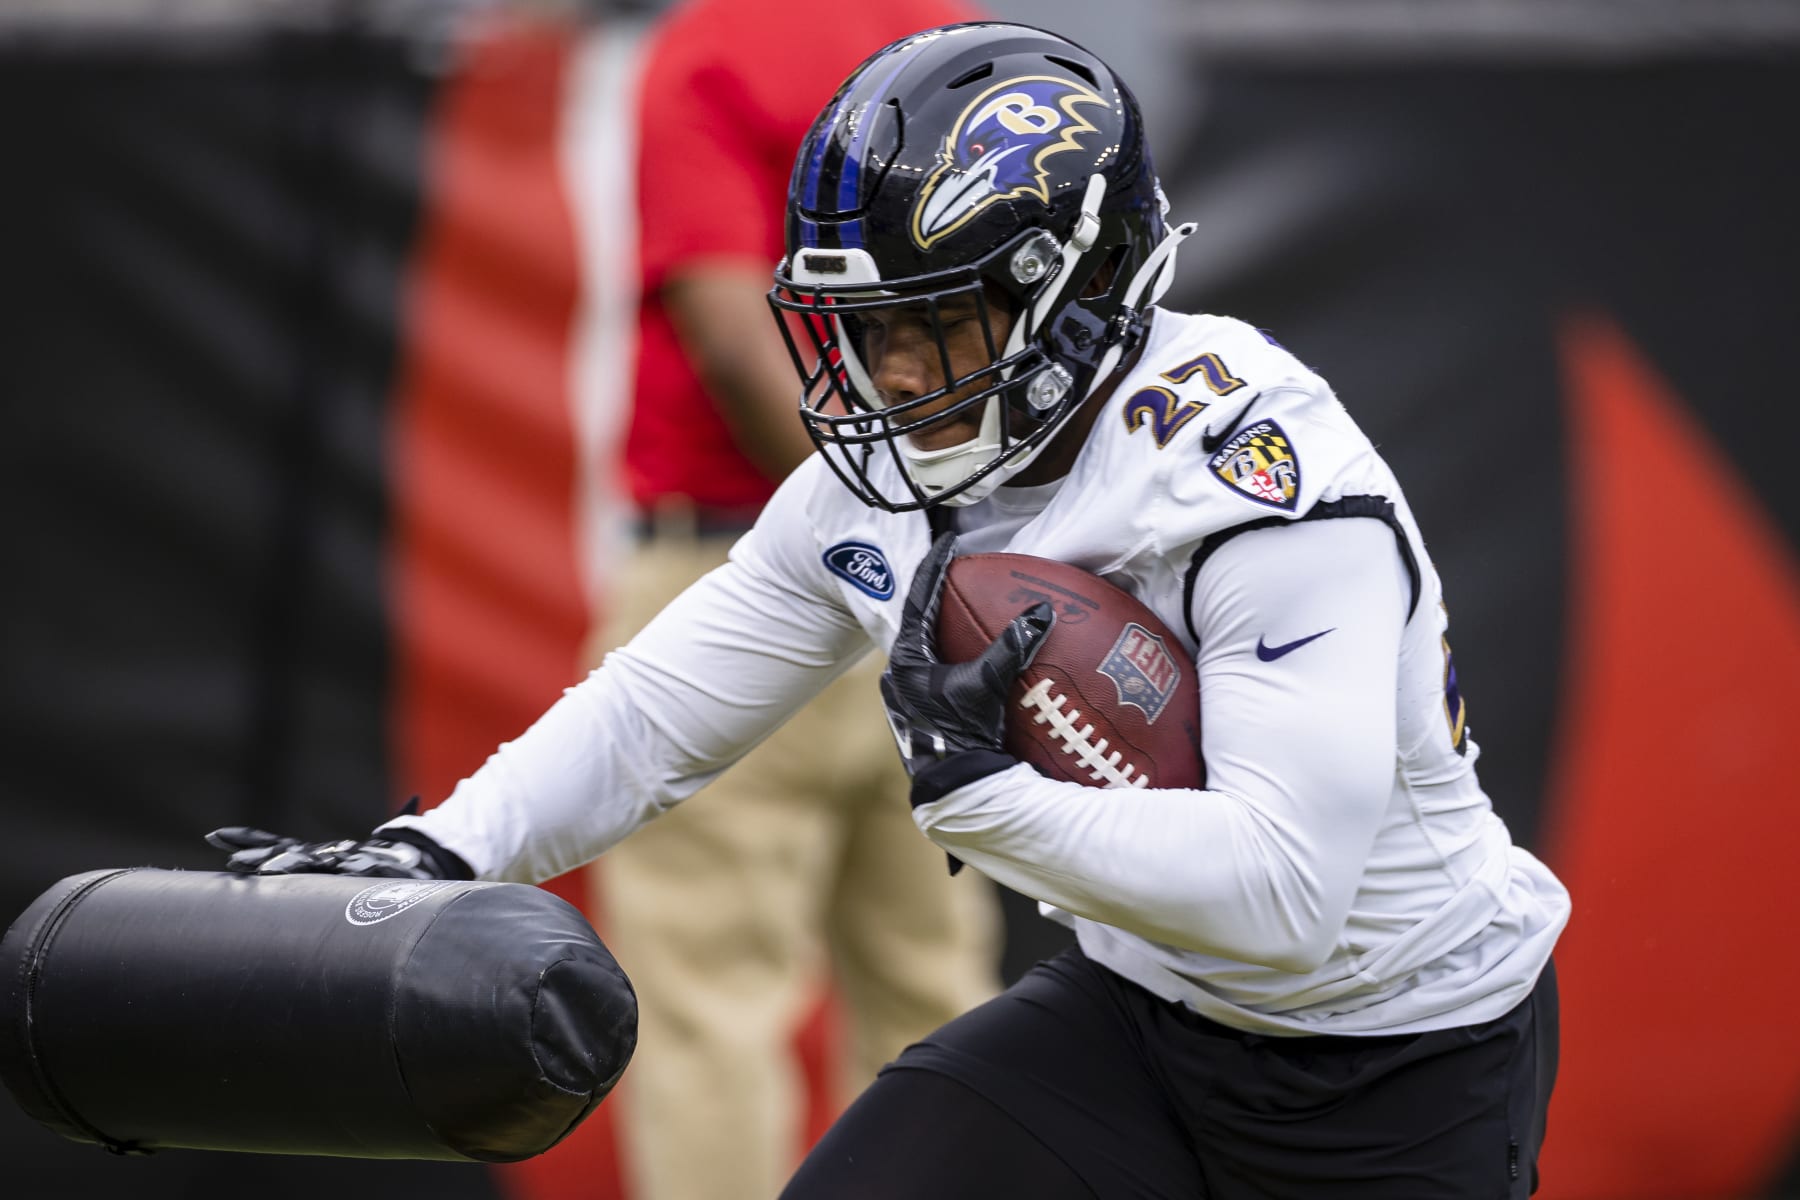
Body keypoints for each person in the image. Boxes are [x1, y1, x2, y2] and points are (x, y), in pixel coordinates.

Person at [212, 21, 1570, 1198]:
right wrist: (436, 851)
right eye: (867, 328)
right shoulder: (890, 477)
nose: (896, 373)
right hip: (1146, 1015)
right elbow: (656, 710)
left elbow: (1282, 898)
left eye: (936, 321)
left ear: (1075, 290)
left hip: (1401, 1051)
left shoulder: (1253, 475)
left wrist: (985, 800)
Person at [581, 1, 996, 1196]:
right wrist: (930, 548)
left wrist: (863, 529)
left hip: (738, 575)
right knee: (934, 999)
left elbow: (731, 331)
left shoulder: (714, 44)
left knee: (707, 1010)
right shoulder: (955, 39)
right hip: (946, 579)